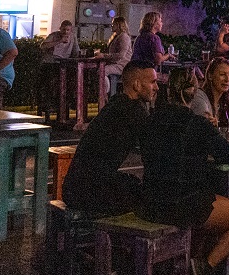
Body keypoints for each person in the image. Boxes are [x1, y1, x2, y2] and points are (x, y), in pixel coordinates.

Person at [141, 68, 229, 275]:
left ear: (168, 92)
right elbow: (228, 155)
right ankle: (205, 266)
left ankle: (187, 263)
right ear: (194, 93)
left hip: (149, 200)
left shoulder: (151, 121)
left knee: (210, 202)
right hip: (183, 203)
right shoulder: (197, 124)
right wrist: (211, 132)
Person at [62, 59, 157, 216]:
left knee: (132, 184)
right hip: (88, 191)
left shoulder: (115, 104)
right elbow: (154, 148)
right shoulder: (133, 110)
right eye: (153, 82)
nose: (157, 87)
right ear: (137, 85)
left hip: (74, 187)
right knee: (150, 198)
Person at [39, 19, 80, 118]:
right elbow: (43, 46)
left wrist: (78, 57)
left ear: (71, 30)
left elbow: (76, 51)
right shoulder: (54, 36)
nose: (65, 32)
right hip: (51, 63)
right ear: (60, 29)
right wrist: (59, 41)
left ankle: (69, 101)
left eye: (68, 30)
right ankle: (52, 104)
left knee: (74, 77)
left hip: (64, 64)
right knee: (53, 81)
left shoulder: (73, 37)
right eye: (64, 29)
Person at [99, 15, 132, 96]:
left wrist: (104, 56)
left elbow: (121, 55)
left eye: (113, 24)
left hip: (122, 65)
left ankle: (106, 93)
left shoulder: (124, 37)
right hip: (116, 64)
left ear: (118, 25)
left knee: (102, 71)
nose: (111, 25)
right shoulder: (117, 36)